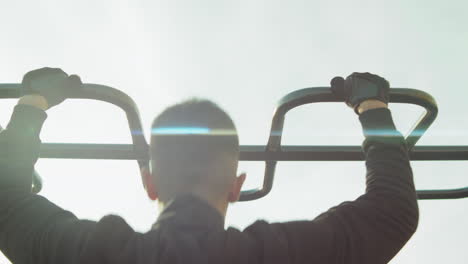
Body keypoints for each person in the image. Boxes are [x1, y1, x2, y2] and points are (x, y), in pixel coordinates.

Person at [0, 68, 419, 264]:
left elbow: (5, 198)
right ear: (237, 187)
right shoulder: (272, 255)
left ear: (149, 183)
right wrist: (372, 106)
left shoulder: (100, 253)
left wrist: (33, 104)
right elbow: (392, 211)